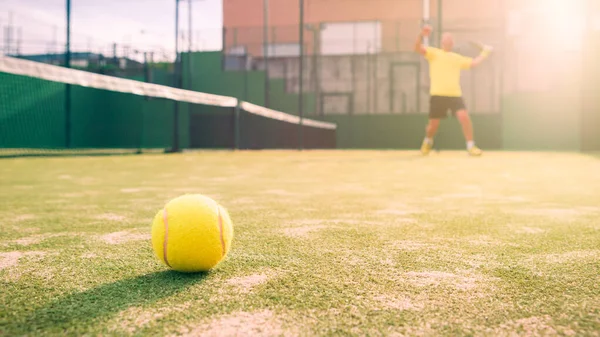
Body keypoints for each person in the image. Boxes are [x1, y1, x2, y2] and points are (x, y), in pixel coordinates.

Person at [415, 25, 492, 156]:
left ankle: (471, 146)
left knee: (464, 118)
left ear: (452, 43)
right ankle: (427, 141)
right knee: (433, 126)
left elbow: (473, 63)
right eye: (446, 39)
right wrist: (421, 35)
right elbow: (417, 48)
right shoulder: (434, 53)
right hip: (437, 95)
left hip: (455, 95)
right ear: (442, 42)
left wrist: (484, 53)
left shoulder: (456, 58)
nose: (448, 42)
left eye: (450, 40)